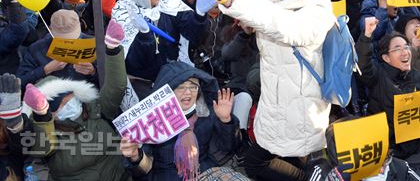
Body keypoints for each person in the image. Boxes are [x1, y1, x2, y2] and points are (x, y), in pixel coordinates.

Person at [207, 0, 335, 181]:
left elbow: (278, 22)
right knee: (289, 160)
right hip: (281, 102)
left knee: (259, 164)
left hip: (297, 111)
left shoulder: (312, 14)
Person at [1, 19, 128, 180]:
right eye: (59, 105)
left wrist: (113, 49)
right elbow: (37, 145)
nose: (67, 103)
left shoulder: (95, 109)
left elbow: (116, 87)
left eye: (68, 97)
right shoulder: (50, 137)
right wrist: (23, 121)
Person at [356, 17, 420, 178]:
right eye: (397, 49)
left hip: (416, 144)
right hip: (389, 147)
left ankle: (403, 169)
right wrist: (367, 35)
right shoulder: (378, 77)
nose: (405, 52)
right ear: (386, 58)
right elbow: (363, 64)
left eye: (406, 47)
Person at [120, 61, 246, 181]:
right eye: (181, 87)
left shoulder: (206, 111)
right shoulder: (152, 120)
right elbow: (144, 170)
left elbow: (229, 147)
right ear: (167, 91)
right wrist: (136, 156)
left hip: (205, 171)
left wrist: (225, 120)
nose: (188, 92)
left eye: (193, 86)